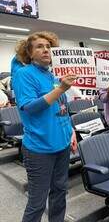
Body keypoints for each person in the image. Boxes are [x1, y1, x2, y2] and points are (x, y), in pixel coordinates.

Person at [12, 31, 77, 222]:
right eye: (39, 46)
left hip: (62, 145)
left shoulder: (54, 75)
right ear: (29, 53)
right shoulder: (23, 74)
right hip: (39, 149)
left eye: (48, 46)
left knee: (59, 194)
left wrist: (71, 131)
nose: (45, 50)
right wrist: (60, 89)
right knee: (37, 203)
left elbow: (62, 108)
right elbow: (30, 107)